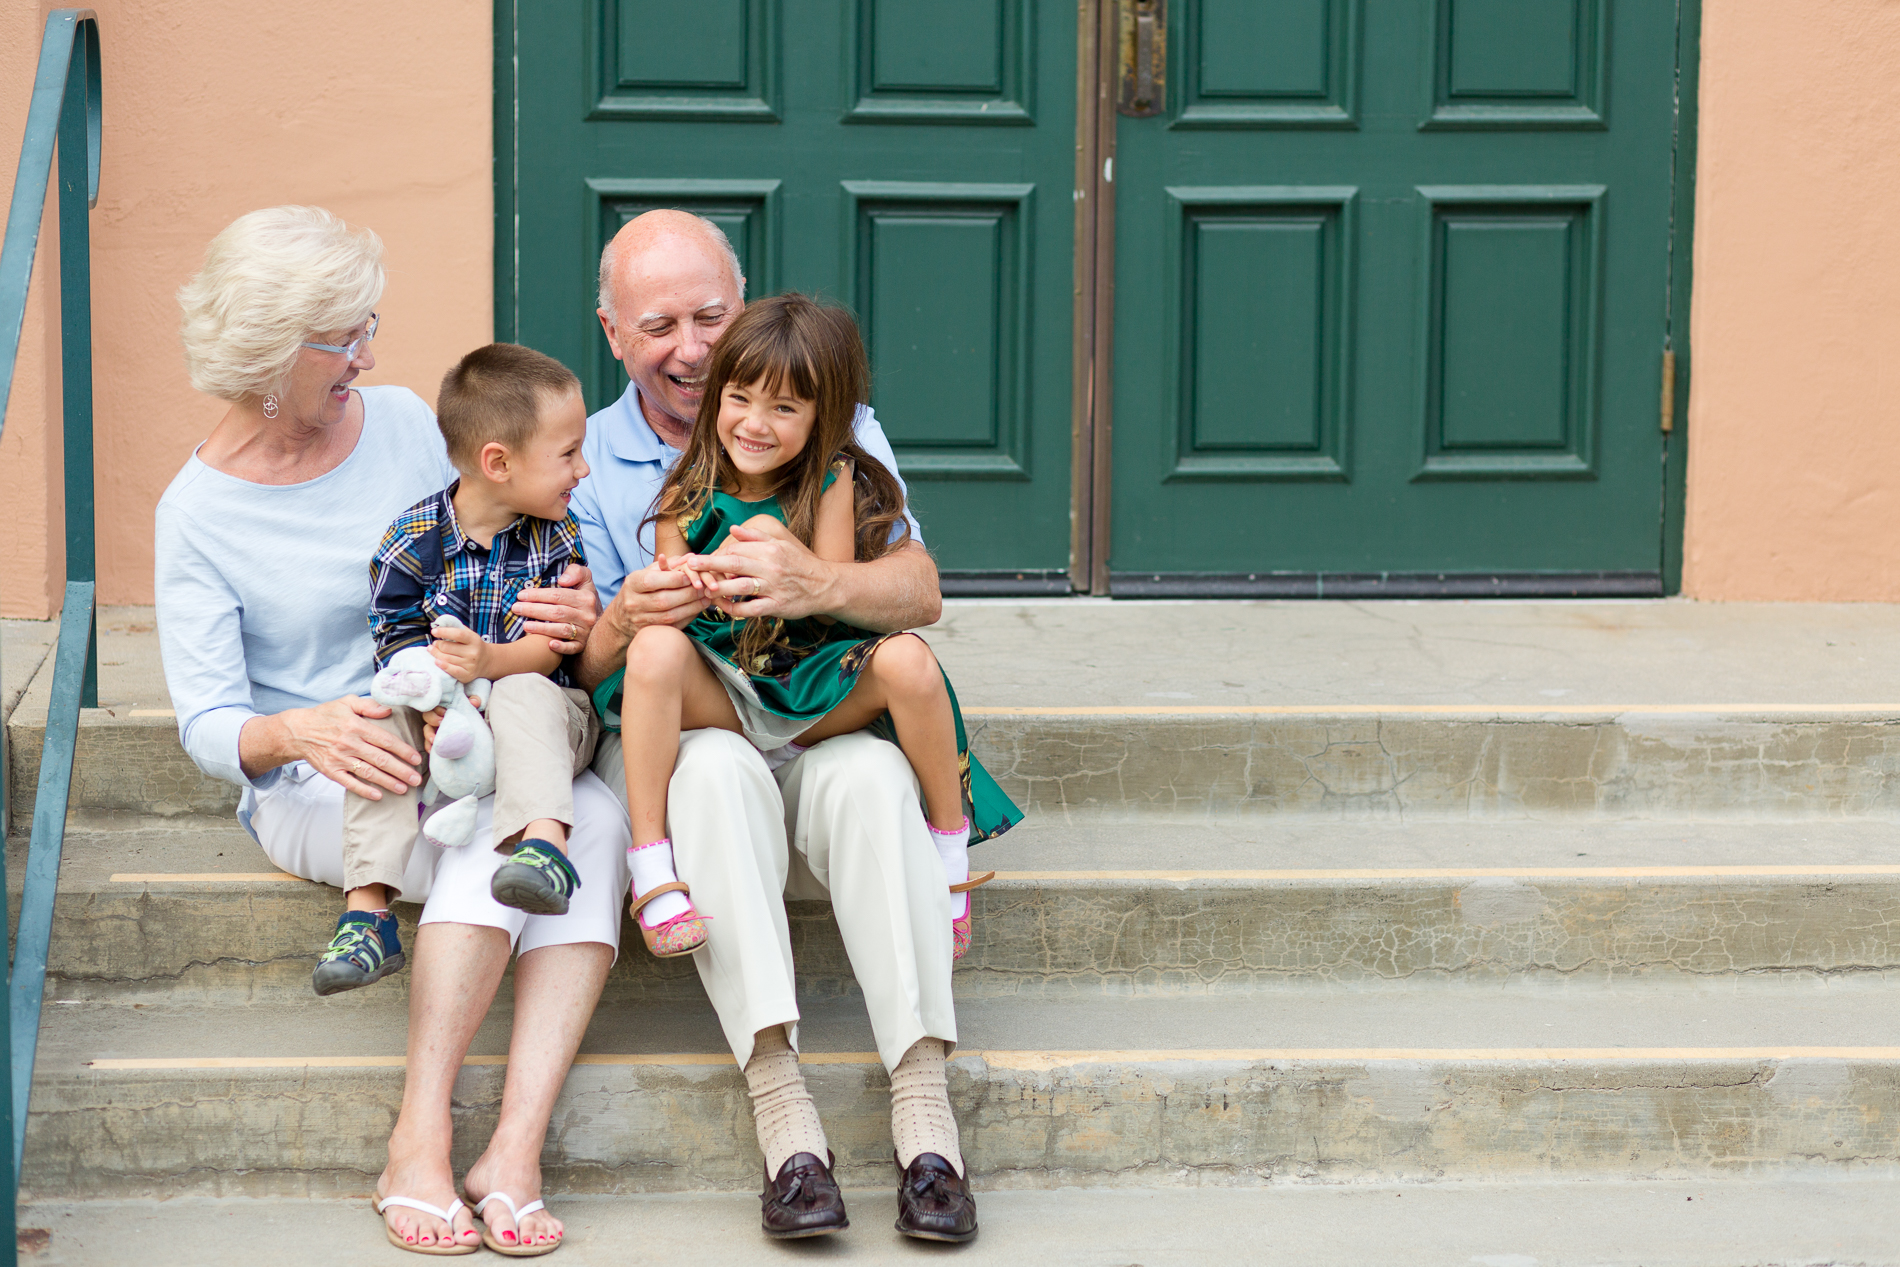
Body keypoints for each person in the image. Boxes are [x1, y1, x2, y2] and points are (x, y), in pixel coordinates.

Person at [158, 206, 617, 1254]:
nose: (369, 355)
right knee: (470, 838)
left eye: (370, 327)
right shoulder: (197, 514)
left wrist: (567, 614)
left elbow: (506, 548)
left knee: (585, 815)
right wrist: (303, 731)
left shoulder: (408, 420)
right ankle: (418, 1137)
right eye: (347, 337)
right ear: (275, 354)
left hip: (470, 720)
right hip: (331, 774)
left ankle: (513, 1148)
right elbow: (208, 721)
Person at [573, 210, 982, 1242]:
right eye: (658, 322)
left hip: (819, 702)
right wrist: (639, 604)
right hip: (704, 715)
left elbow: (917, 590)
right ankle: (783, 1114)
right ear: (612, 332)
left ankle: (926, 1111)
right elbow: (582, 667)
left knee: (874, 782)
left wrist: (815, 578)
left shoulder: (831, 426)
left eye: (711, 314)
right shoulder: (588, 459)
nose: (693, 347)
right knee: (707, 775)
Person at [599, 293, 1016, 966]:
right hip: (728, 689)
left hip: (812, 684)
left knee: (910, 659)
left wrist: (775, 554)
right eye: (739, 398)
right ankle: (652, 864)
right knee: (652, 647)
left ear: (824, 417)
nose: (755, 424)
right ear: (716, 399)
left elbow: (828, 599)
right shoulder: (686, 487)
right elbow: (673, 596)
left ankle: (947, 849)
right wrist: (694, 583)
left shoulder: (832, 477)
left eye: (785, 407)